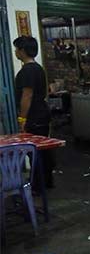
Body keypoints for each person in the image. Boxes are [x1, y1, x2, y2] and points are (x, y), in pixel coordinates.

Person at [13, 36, 54, 188]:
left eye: (17, 49)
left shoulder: (28, 71)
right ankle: (46, 182)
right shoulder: (38, 68)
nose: (16, 52)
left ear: (23, 51)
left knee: (35, 151)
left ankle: (39, 184)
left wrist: (22, 119)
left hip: (35, 116)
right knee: (42, 150)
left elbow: (27, 96)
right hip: (42, 114)